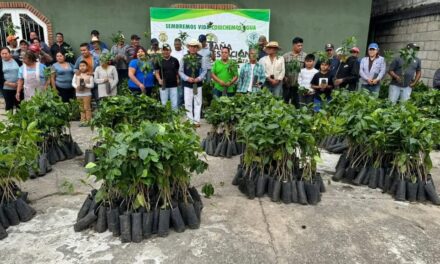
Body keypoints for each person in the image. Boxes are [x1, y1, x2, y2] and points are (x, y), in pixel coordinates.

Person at [179, 39, 207, 127]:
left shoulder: (201, 58)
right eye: (191, 46)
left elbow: (204, 71)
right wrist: (187, 78)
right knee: (187, 103)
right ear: (189, 47)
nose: (193, 48)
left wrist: (198, 78)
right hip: (187, 84)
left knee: (198, 102)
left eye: (195, 46)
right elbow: (180, 71)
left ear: (197, 48)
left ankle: (197, 121)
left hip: (197, 85)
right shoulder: (184, 58)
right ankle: (190, 121)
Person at [283, 37, 307, 107]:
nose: (300, 47)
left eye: (301, 45)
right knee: (285, 102)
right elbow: (281, 69)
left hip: (298, 85)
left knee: (297, 104)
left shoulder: (305, 56)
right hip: (287, 84)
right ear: (293, 45)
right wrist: (284, 77)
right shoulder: (286, 56)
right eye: (298, 46)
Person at [154, 44, 180, 109]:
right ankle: (165, 118)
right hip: (163, 85)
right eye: (164, 50)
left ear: (170, 51)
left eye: (167, 50)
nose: (166, 52)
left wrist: (177, 79)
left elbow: (177, 71)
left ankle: (174, 118)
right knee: (164, 103)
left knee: (174, 103)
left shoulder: (175, 60)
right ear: (162, 51)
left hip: (173, 84)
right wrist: (159, 80)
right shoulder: (158, 60)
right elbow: (156, 72)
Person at [72, 61, 94, 126]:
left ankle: (89, 121)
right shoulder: (76, 75)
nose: (82, 67)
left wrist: (85, 85)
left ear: (87, 67)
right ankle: (82, 121)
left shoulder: (89, 75)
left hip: (87, 94)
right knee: (81, 108)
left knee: (87, 107)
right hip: (78, 94)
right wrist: (77, 87)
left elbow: (92, 85)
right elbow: (73, 83)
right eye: (80, 66)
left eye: (83, 66)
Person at [171, 38, 186, 106]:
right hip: (175, 74)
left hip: (183, 73)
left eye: (178, 44)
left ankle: (182, 104)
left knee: (183, 90)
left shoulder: (184, 52)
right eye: (176, 44)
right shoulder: (172, 53)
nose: (177, 46)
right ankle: (178, 105)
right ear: (174, 45)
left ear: (181, 44)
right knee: (177, 91)